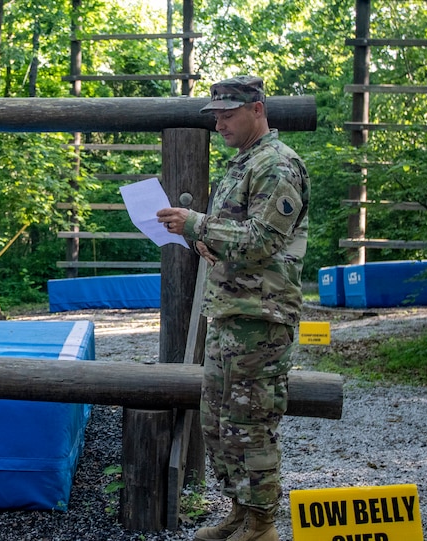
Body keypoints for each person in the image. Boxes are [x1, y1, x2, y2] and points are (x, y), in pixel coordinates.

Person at [157, 76, 310, 541]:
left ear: (257, 110)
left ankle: (262, 524)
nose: (219, 123)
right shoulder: (244, 164)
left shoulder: (277, 166)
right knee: (220, 423)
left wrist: (199, 224)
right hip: (230, 313)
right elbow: (236, 237)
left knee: (252, 424)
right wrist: (206, 240)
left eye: (227, 114)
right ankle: (240, 513)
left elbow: (264, 240)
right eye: (215, 116)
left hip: (261, 320)